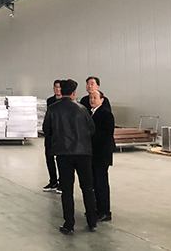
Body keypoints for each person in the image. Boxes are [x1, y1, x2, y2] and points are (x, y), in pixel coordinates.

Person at [43, 79, 97, 235]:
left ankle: (69, 224)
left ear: (61, 91)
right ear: (74, 93)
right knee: (87, 188)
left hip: (63, 154)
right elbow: (92, 129)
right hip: (83, 153)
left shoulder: (53, 109)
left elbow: (46, 129)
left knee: (67, 190)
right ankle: (92, 222)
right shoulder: (82, 109)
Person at [89, 90, 115, 222]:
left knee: (101, 183)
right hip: (93, 154)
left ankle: (105, 211)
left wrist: (90, 136)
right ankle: (97, 209)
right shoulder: (91, 113)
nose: (92, 100)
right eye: (91, 98)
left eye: (95, 97)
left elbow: (106, 135)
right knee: (95, 183)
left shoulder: (105, 114)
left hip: (101, 154)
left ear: (102, 100)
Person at [43, 80, 63, 193]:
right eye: (55, 87)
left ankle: (62, 182)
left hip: (60, 134)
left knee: (60, 159)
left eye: (59, 87)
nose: (57, 89)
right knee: (49, 157)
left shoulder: (65, 101)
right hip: (50, 133)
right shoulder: (50, 101)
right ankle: (53, 180)